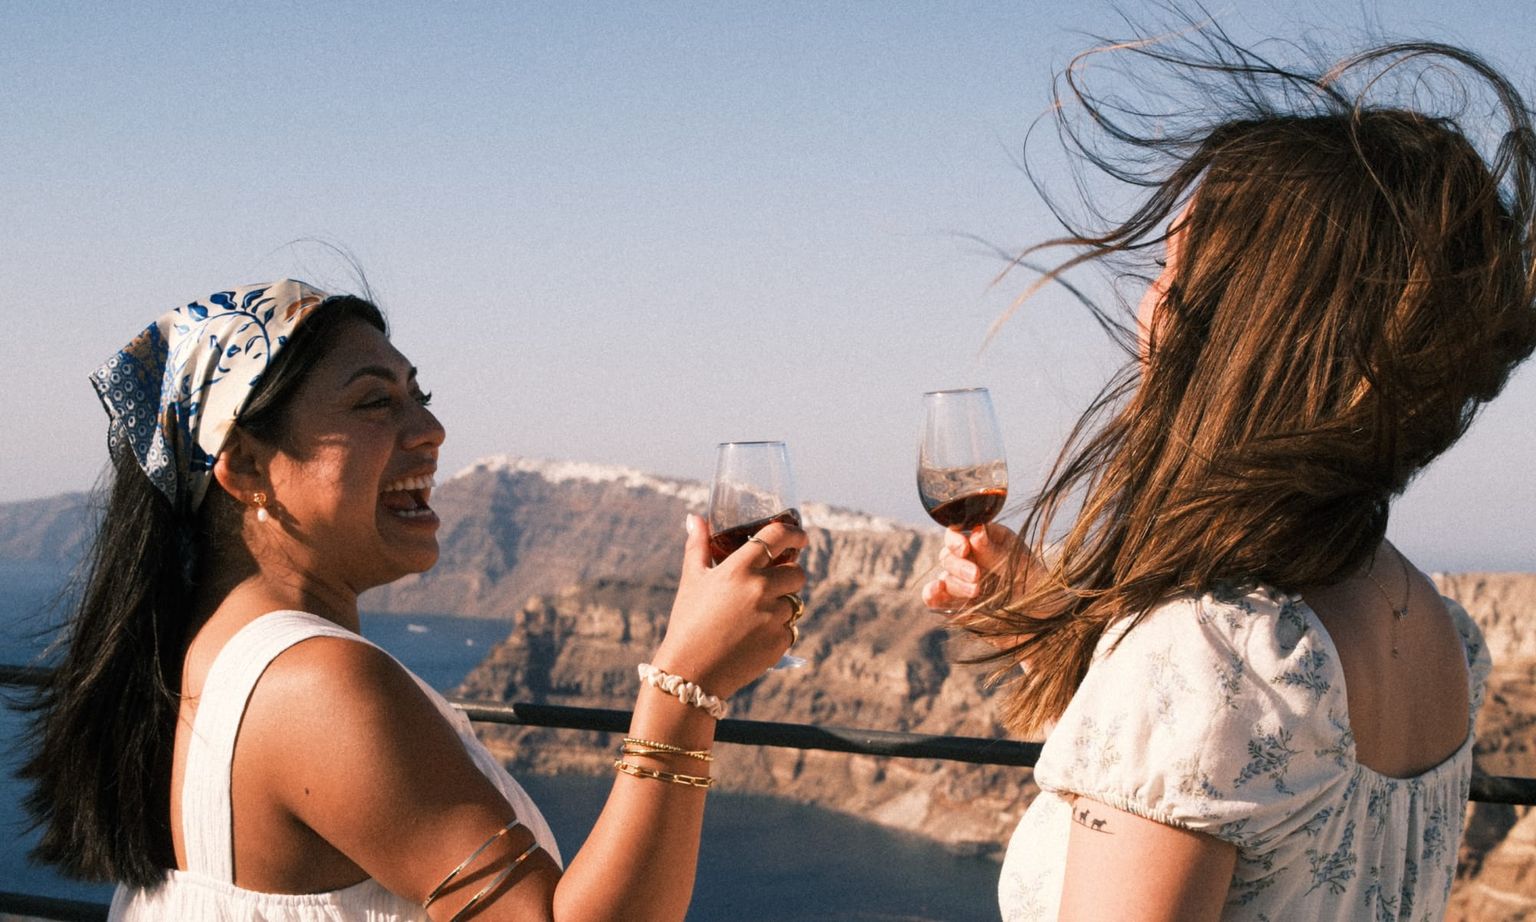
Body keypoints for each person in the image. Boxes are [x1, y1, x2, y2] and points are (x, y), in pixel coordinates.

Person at [923, 33, 1536, 922]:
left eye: (1174, 268)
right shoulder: (1437, 631)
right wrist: (1059, 622)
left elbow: (1212, 714)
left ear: (1248, 329)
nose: (1153, 301)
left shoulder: (1205, 654)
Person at [22, 279, 809, 921]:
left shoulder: (204, 652)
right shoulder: (317, 685)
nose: (430, 429)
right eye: (376, 403)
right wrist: (686, 687)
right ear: (248, 466)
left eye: (418, 395)